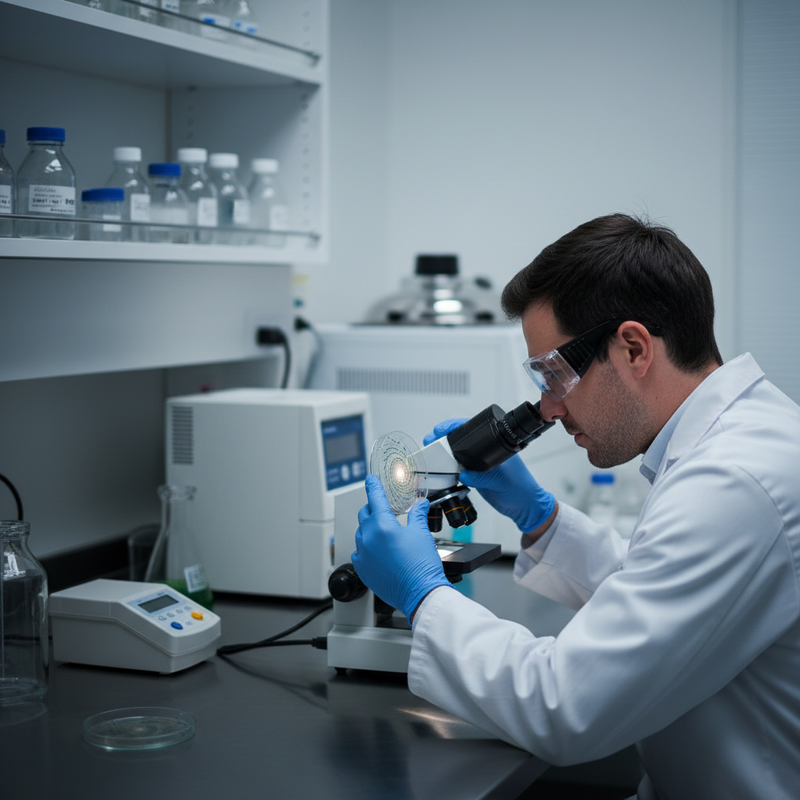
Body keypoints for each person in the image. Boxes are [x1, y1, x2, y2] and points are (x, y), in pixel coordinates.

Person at [351, 213, 800, 800]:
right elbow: (663, 593)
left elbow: (562, 708)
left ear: (634, 348)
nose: (549, 408)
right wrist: (539, 517)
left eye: (554, 374)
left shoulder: (733, 483)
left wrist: (422, 594)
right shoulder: (738, 440)